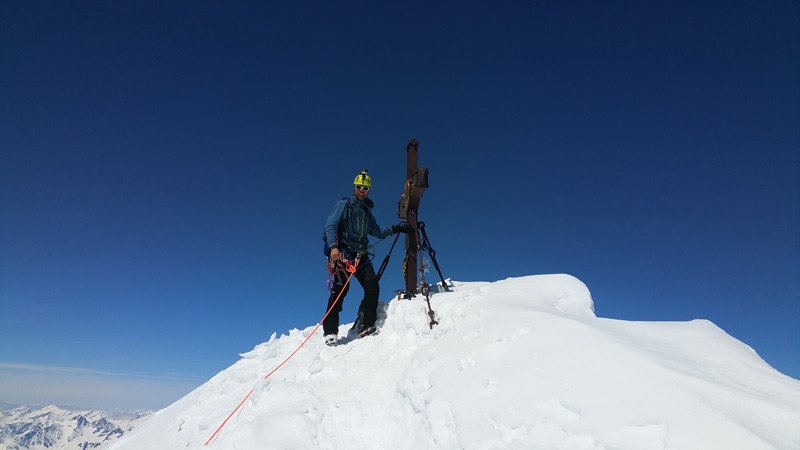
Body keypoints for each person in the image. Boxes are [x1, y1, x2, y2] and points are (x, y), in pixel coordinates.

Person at [322, 170, 413, 346]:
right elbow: (331, 224)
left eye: (365, 188)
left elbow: (377, 232)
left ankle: (366, 324)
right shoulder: (345, 204)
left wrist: (397, 228)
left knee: (372, 286)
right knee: (339, 292)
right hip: (343, 254)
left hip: (360, 255)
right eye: (359, 187)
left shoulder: (366, 212)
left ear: (369, 190)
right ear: (354, 188)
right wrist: (334, 247)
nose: (361, 190)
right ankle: (330, 332)